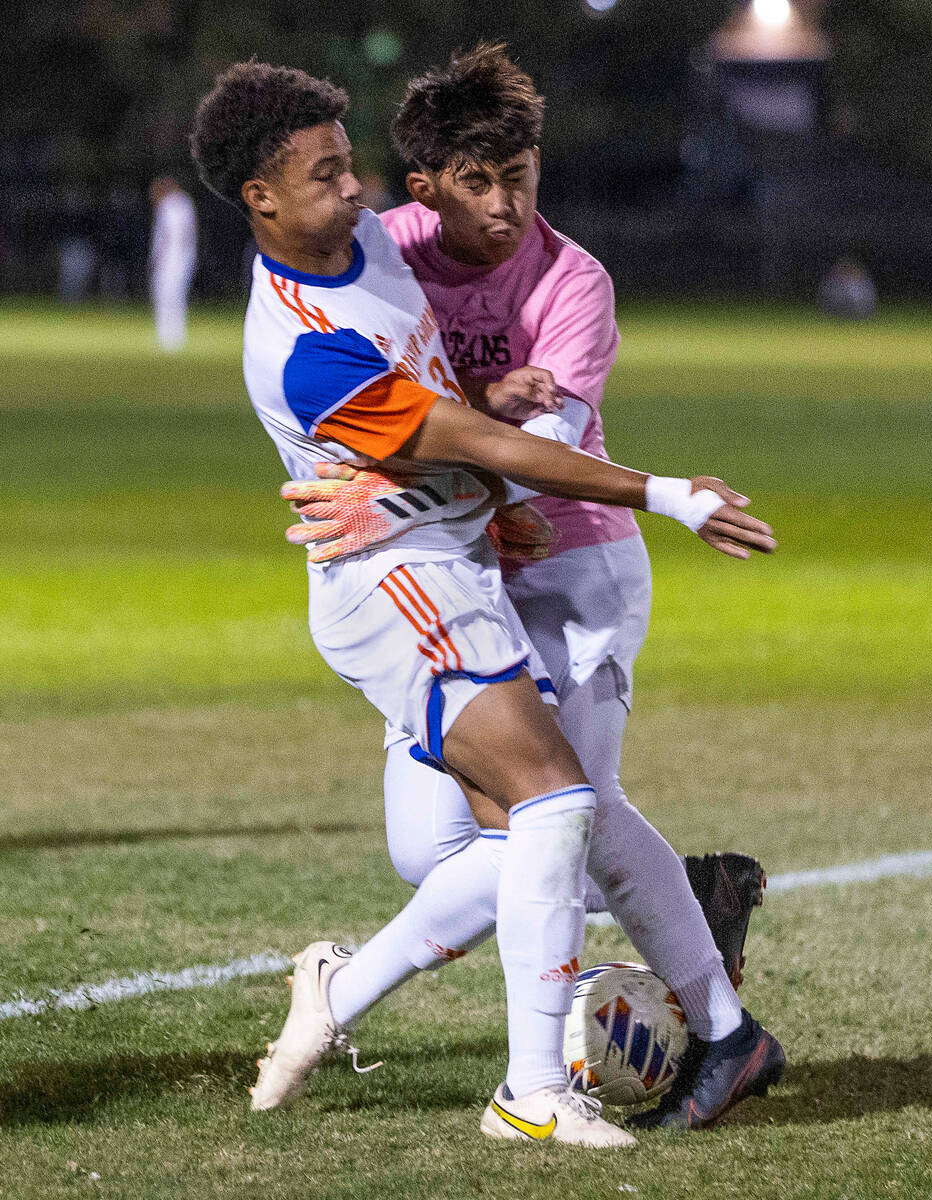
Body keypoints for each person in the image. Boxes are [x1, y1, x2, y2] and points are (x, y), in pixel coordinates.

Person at [191, 59, 783, 1146]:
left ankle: (584, 1064)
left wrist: (461, 447)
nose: (356, 188)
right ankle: (447, 1025)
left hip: (545, 567)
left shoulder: (435, 254)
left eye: (521, 173)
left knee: (559, 815)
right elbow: (448, 434)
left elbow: (466, 422)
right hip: (407, 584)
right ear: (263, 199)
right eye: (329, 174)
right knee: (490, 839)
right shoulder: (304, 348)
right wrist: (662, 491)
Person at [148, 176, 198, 351]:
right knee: (176, 296)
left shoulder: (169, 205)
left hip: (171, 259)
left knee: (166, 296)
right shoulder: (185, 203)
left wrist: (158, 259)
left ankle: (168, 338)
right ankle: (174, 337)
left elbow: (168, 236)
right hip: (184, 258)